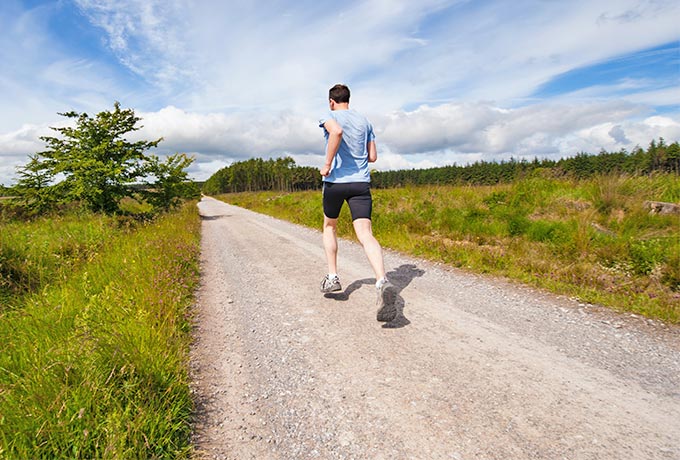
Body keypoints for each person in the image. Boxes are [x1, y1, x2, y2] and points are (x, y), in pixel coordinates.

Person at [318, 83, 397, 322]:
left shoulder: (328, 116)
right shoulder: (365, 121)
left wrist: (328, 164)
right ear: (348, 99)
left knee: (330, 226)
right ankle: (382, 280)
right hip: (361, 183)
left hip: (335, 183)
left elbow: (336, 132)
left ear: (332, 101)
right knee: (365, 234)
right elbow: (372, 156)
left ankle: (332, 277)